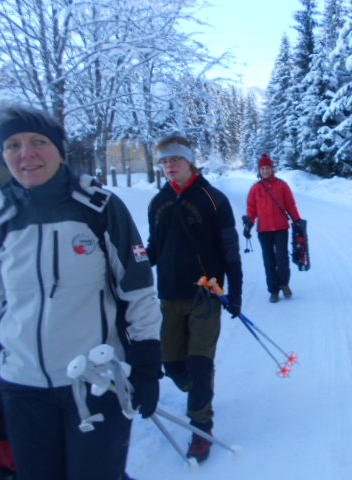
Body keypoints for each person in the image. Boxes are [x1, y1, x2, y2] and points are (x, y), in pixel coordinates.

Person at [0, 99, 162, 480]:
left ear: (59, 150)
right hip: (22, 388)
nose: (26, 154)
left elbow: (137, 292)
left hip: (94, 382)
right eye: (12, 145)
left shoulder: (98, 208)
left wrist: (148, 365)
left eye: (39, 142)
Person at [147, 134, 242, 464]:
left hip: (206, 295)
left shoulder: (214, 200)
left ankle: (201, 427)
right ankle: (198, 392)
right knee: (173, 365)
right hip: (170, 297)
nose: (169, 166)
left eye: (175, 159)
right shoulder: (157, 203)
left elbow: (230, 251)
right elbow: (154, 249)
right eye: (164, 161)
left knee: (200, 363)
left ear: (190, 161)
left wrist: (235, 294)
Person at [243, 154, 303, 303]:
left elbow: (290, 205)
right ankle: (274, 291)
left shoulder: (282, 185)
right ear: (259, 170)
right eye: (262, 168)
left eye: (267, 168)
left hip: (281, 228)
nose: (265, 171)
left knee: (282, 258)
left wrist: (297, 220)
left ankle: (284, 284)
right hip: (264, 231)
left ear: (272, 169)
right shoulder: (255, 188)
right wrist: (249, 223)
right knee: (269, 261)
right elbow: (251, 209)